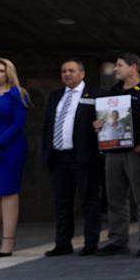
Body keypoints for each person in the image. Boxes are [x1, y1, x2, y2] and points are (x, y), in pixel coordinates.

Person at [94, 52, 140, 257]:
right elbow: (105, 118)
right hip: (114, 152)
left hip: (138, 153)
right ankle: (117, 240)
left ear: (133, 67)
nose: (115, 69)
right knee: (115, 198)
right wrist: (99, 125)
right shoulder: (112, 92)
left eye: (119, 65)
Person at [43, 59, 102, 257]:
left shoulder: (94, 95)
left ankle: (91, 243)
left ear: (82, 74)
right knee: (62, 202)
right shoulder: (55, 96)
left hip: (84, 157)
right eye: (63, 71)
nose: (67, 74)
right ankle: (62, 243)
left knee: (89, 200)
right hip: (59, 157)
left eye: (71, 70)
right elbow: (47, 126)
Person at [0, 58, 31, 258]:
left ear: (8, 73)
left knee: (8, 193)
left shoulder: (17, 94)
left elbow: (17, 124)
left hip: (10, 148)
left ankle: (8, 241)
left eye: (1, 71)